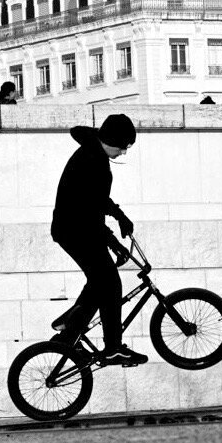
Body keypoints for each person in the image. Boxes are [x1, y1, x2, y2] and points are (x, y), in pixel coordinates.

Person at [50, 113, 147, 367]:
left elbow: (98, 200)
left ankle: (69, 332)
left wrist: (119, 216)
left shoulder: (95, 154)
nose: (123, 152)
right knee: (110, 283)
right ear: (111, 140)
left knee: (100, 281)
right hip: (76, 230)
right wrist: (113, 242)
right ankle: (112, 348)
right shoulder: (91, 160)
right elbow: (89, 210)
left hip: (77, 229)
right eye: (123, 146)